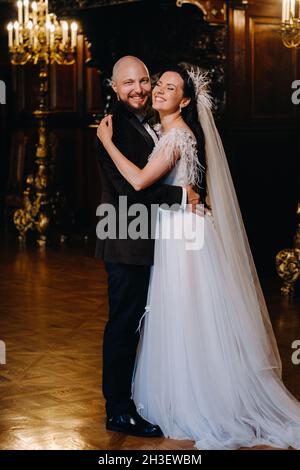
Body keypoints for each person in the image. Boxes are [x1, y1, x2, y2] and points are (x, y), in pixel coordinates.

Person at [97, 65, 300, 450]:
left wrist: (109, 144)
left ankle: (192, 398)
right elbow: (133, 186)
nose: (152, 90)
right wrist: (108, 143)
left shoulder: (174, 134)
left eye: (162, 85)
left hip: (181, 236)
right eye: (153, 83)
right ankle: (128, 405)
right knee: (166, 316)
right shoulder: (127, 126)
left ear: (185, 100)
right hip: (156, 234)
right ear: (116, 87)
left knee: (186, 315)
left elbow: (141, 181)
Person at [95, 56, 200, 437]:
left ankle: (138, 400)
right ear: (114, 87)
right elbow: (129, 189)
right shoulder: (115, 128)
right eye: (129, 84)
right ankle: (118, 411)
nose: (139, 88)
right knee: (124, 324)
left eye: (144, 80)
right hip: (125, 238)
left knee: (136, 322)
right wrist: (181, 194)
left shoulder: (147, 124)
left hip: (145, 238)